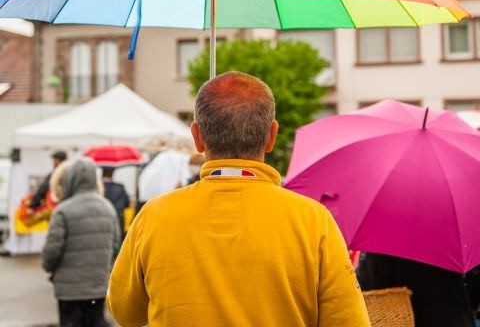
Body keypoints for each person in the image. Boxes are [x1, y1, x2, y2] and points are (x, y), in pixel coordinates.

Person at [107, 71, 370, 326]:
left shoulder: (154, 217)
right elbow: (348, 320)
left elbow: (125, 312)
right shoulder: (313, 220)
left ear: (197, 137)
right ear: (271, 136)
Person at [42, 158, 119, 327]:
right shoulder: (108, 208)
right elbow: (115, 246)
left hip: (69, 290)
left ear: (69, 179)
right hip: (98, 286)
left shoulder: (63, 210)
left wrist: (48, 267)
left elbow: (51, 251)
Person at [357, 252, 475, 327]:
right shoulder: (456, 228)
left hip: (412, 319)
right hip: (458, 320)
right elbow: (474, 288)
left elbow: (371, 288)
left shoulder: (384, 233)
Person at [102, 167, 130, 234]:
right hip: (119, 223)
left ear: (102, 173)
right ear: (112, 173)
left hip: (103, 224)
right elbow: (127, 204)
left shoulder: (98, 189)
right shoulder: (120, 187)